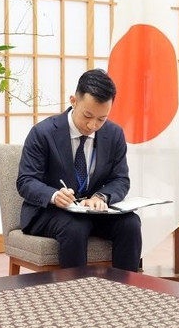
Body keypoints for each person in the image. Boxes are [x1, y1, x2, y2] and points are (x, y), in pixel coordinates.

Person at [16, 68, 142, 271]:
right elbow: (26, 181)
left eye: (102, 119)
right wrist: (54, 195)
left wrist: (101, 197)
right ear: (73, 100)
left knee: (131, 223)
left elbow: (121, 179)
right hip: (49, 211)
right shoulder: (43, 133)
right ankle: (75, 296)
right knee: (75, 226)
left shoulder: (115, 134)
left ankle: (125, 292)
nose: (92, 125)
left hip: (93, 211)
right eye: (87, 115)